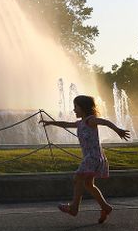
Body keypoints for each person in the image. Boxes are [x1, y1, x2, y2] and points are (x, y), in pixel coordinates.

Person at [40, 95, 131, 223]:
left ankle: (74, 208)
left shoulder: (90, 120)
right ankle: (105, 207)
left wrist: (118, 130)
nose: (74, 110)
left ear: (83, 108)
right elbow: (66, 124)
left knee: (78, 178)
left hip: (93, 157)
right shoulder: (80, 123)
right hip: (92, 157)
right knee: (88, 184)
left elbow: (105, 122)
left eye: (76, 107)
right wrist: (51, 122)